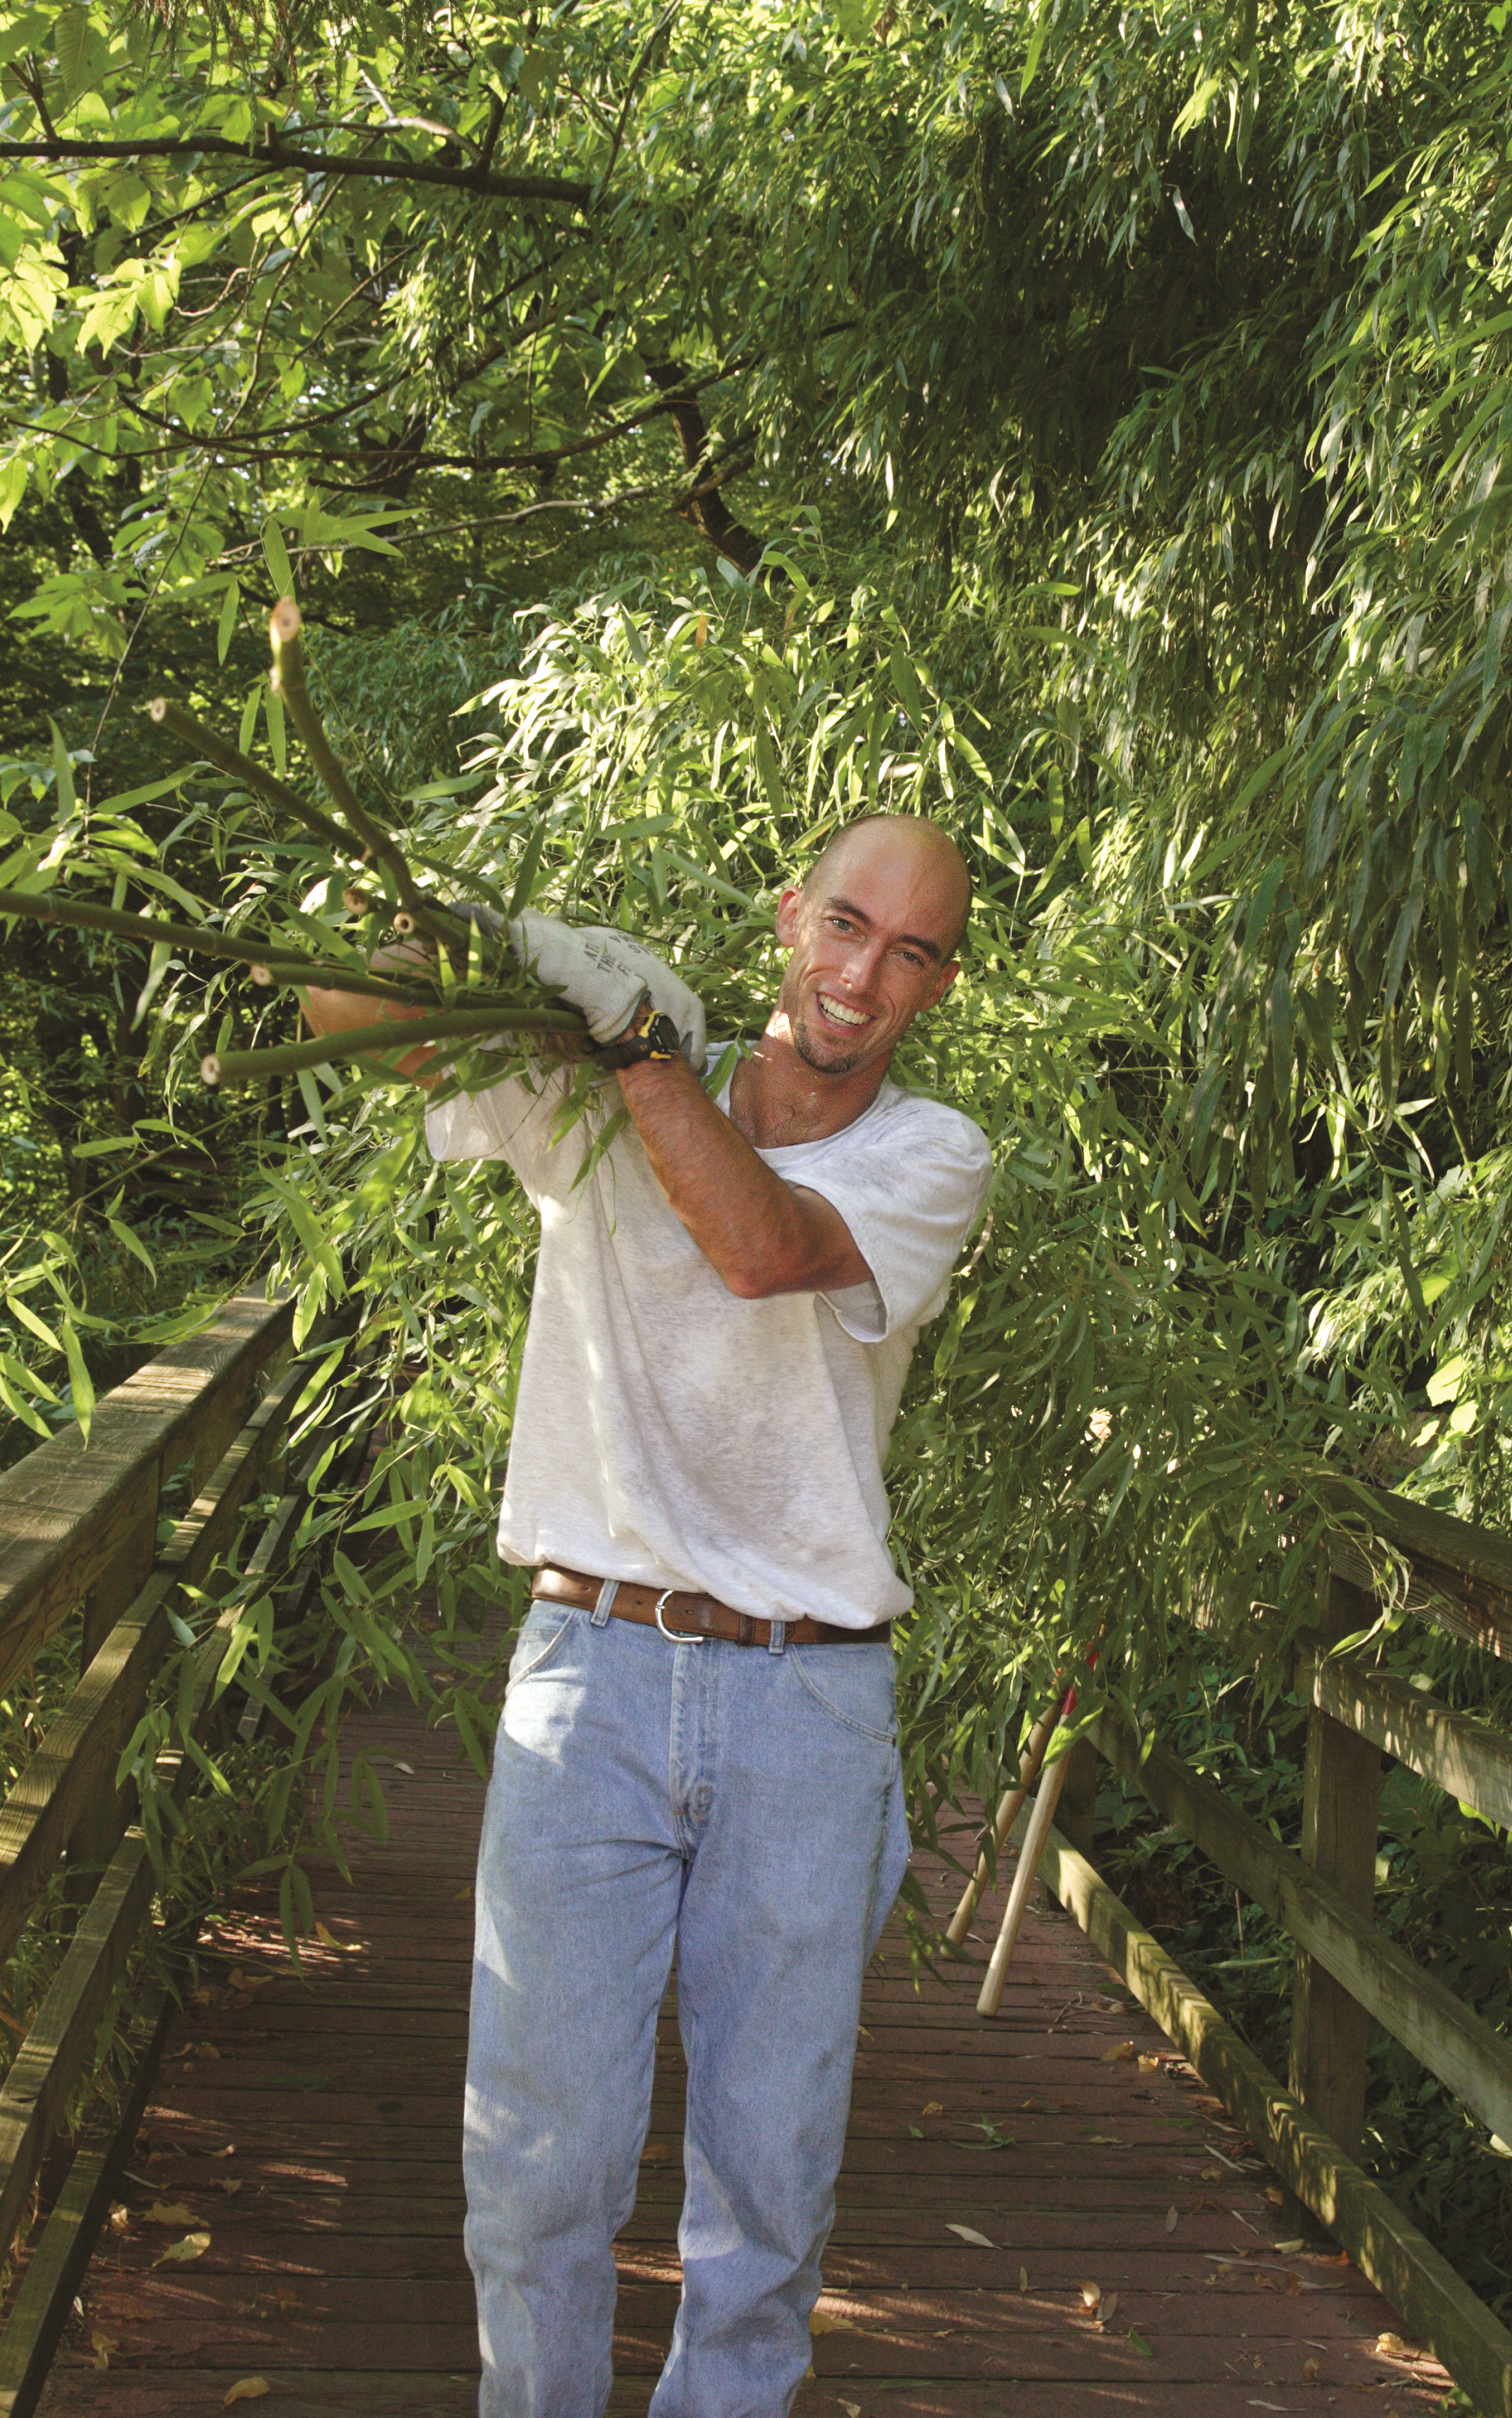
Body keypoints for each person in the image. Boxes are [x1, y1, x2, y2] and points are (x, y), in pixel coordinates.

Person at [303, 811, 991, 2418]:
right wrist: (455, 940)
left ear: (938, 987)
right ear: (786, 919)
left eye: (911, 951)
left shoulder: (923, 1157)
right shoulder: (596, 1088)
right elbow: (344, 1014)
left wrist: (631, 1045)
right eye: (844, 923)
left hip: (807, 1712)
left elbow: (759, 1250)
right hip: (586, 1680)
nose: (862, 974)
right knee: (534, 2173)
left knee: (764, 2202)